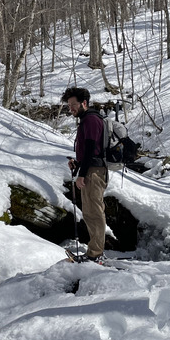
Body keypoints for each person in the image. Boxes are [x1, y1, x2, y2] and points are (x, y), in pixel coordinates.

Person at [62, 86, 107, 262]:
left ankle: (96, 254)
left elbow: (90, 150)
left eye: (73, 104)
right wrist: (78, 164)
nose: (71, 108)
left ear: (84, 103)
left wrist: (82, 173)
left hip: (94, 172)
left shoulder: (91, 120)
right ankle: (93, 252)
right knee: (89, 212)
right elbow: (89, 150)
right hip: (91, 169)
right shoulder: (87, 120)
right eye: (69, 105)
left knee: (94, 212)